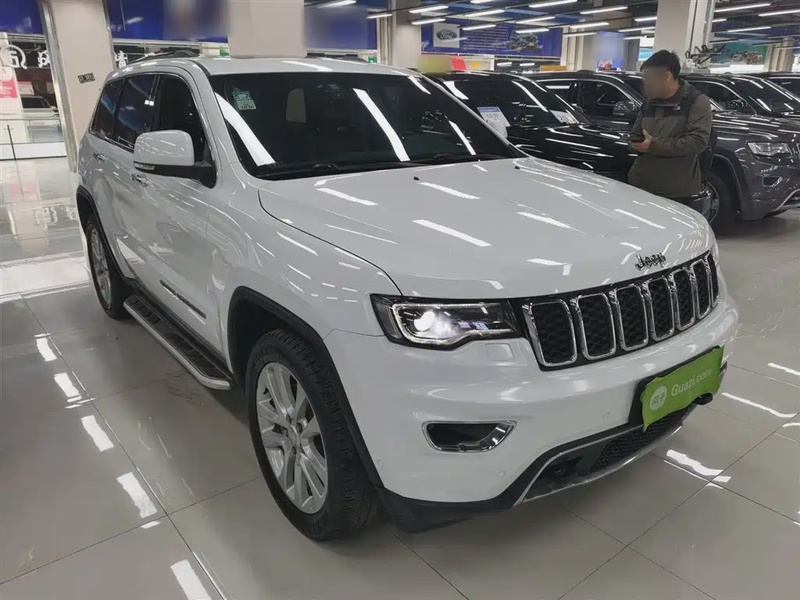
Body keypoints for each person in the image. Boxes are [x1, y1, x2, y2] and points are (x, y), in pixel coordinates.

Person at [627, 50, 713, 213]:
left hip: (677, 192)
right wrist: (634, 144)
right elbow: (636, 135)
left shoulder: (696, 102)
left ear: (667, 76)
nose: (645, 82)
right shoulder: (650, 103)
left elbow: (697, 142)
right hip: (641, 186)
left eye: (648, 77)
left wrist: (653, 145)